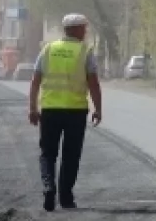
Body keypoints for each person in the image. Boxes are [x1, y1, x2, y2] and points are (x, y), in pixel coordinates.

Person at [29, 13, 103, 212]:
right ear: (76, 29)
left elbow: (35, 81)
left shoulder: (48, 49)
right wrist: (98, 108)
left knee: (47, 154)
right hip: (75, 112)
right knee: (71, 155)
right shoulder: (85, 51)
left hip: (51, 111)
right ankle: (66, 197)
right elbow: (93, 82)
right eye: (84, 28)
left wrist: (32, 109)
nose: (86, 31)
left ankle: (48, 187)